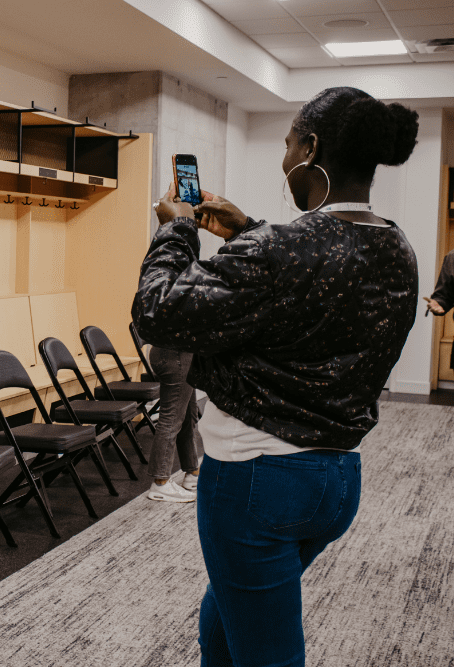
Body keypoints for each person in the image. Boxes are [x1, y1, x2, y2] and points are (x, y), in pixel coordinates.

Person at [132, 87, 420, 666]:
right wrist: (247, 230)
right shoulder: (398, 247)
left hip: (257, 484)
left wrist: (178, 228)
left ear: (311, 149)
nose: (284, 159)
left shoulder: (280, 249)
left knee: (268, 654)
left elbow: (158, 311)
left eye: (289, 144)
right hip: (337, 481)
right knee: (226, 627)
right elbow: (317, 284)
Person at [145, 344, 202, 503]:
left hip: (175, 353)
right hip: (176, 355)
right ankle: (160, 483)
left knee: (189, 414)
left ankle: (193, 474)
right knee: (171, 418)